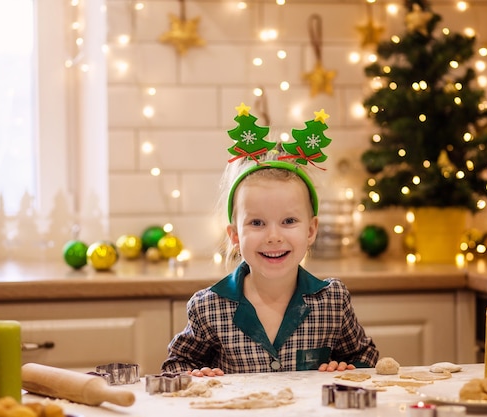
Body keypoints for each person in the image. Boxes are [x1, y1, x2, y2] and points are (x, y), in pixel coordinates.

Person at [162, 104, 379, 377]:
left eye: (288, 221)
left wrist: (347, 368)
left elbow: (365, 358)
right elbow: (175, 366)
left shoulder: (332, 302)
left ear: (311, 230)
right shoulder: (209, 307)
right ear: (235, 236)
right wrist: (194, 376)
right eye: (257, 223)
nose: (274, 236)